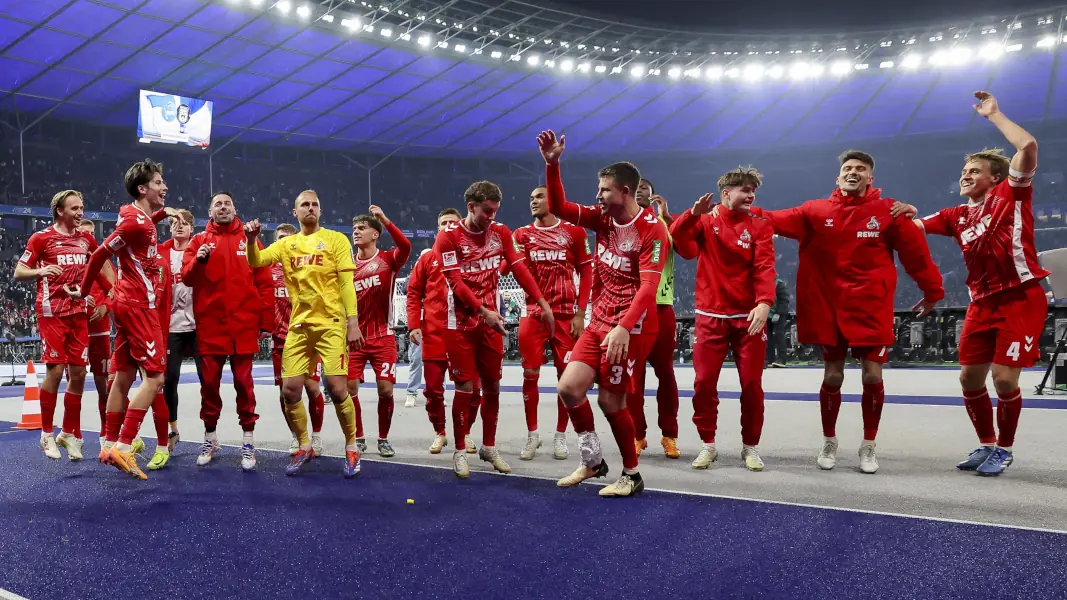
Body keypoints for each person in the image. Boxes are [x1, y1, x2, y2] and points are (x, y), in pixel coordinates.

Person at [742, 150, 944, 474]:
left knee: (872, 375)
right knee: (832, 376)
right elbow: (771, 218)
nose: (853, 172)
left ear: (870, 178)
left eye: (860, 169)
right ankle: (829, 440)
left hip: (871, 308)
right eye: (847, 168)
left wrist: (933, 291)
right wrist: (739, 207)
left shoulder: (888, 211)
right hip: (829, 309)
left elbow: (916, 256)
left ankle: (869, 445)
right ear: (837, 178)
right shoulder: (814, 211)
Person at [899, 92, 1044, 476]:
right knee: (968, 377)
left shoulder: (1010, 193)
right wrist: (892, 210)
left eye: (974, 171)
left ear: (995, 177)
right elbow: (909, 228)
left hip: (1020, 297)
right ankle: (986, 443)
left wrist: (994, 114)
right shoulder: (955, 215)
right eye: (964, 172)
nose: (966, 176)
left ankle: (1005, 448)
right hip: (981, 303)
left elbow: (1027, 145)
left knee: (1003, 378)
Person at [537, 130, 670, 498]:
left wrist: (625, 328)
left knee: (611, 401)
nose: (598, 196)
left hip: (633, 327)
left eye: (605, 190)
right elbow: (562, 208)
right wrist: (553, 164)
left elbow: (648, 287)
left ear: (626, 191)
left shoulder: (652, 230)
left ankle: (632, 474)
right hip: (599, 322)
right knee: (569, 387)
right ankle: (593, 460)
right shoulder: (602, 219)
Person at [433, 182, 553, 479]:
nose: (491, 216)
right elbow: (455, 283)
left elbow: (520, 268)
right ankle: (460, 450)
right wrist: (483, 311)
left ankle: (488, 446)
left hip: (491, 323)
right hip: (459, 324)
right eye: (487, 211)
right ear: (471, 207)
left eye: (495, 211)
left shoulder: (501, 233)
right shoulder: (448, 238)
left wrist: (541, 302)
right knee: (465, 388)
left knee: (493, 386)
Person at [72, 159, 179, 480]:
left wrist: (163, 213)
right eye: (159, 183)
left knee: (122, 377)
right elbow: (100, 253)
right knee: (156, 379)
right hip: (137, 306)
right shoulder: (135, 224)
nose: (165, 187)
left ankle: (108, 443)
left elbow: (138, 224)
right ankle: (124, 443)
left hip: (127, 304)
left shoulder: (140, 216)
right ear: (143, 188)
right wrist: (84, 289)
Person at [245, 190, 363, 477]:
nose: (310, 208)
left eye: (315, 205)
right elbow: (256, 260)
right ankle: (304, 445)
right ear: (294, 213)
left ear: (320, 211)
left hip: (331, 324)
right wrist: (250, 240)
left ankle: (351, 446)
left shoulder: (336, 239)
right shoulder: (287, 245)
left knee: (337, 389)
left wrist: (352, 321)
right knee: (290, 390)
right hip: (299, 326)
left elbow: (347, 285)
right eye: (304, 205)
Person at [670, 167, 776, 472]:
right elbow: (682, 245)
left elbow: (765, 267)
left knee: (753, 384)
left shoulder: (760, 226)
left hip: (749, 319)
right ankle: (708, 445)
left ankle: (750, 447)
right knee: (703, 383)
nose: (751, 194)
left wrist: (765, 302)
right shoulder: (704, 221)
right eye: (744, 189)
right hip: (710, 318)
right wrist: (691, 214)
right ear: (725, 193)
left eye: (753, 189)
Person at [15, 190, 114, 461]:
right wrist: (40, 271)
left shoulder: (86, 239)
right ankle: (46, 434)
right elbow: (19, 272)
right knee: (56, 371)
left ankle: (69, 434)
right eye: (75, 208)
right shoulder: (41, 238)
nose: (80, 212)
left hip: (78, 313)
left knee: (80, 374)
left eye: (82, 207)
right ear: (60, 210)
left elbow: (102, 263)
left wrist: (109, 293)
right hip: (51, 313)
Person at [182, 192, 273, 471]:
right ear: (210, 211)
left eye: (228, 203)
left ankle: (248, 441)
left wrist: (266, 322)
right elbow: (187, 278)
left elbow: (265, 282)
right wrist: (198, 260)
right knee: (209, 386)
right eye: (218, 204)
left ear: (235, 208)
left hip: (243, 326)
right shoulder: (198, 242)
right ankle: (210, 437)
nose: (223, 207)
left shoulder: (251, 241)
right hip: (211, 328)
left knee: (245, 386)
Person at [512, 185, 593, 461]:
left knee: (566, 378)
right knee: (530, 375)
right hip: (533, 315)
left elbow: (586, 269)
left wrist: (581, 313)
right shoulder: (521, 235)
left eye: (538, 196)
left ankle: (560, 436)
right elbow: (511, 267)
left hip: (566, 316)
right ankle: (532, 435)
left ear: (553, 200)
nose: (532, 200)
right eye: (530, 197)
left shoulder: (574, 232)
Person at [347, 206, 412, 457]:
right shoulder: (346, 266)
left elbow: (405, 246)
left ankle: (383, 438)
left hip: (383, 336)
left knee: (385, 389)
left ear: (375, 234)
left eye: (362, 228)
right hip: (353, 338)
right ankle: (359, 435)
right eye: (354, 229)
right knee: (350, 389)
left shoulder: (388, 260)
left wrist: (385, 220)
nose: (356, 232)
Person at [406, 209, 467, 454]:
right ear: (437, 227)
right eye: (444, 223)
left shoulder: (468, 256)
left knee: (468, 389)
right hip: (433, 334)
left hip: (463, 334)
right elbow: (413, 293)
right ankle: (440, 432)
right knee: (433, 389)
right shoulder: (428, 258)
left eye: (453, 223)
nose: (448, 226)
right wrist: (413, 325)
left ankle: (466, 433)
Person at [630, 178, 682, 459]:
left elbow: (685, 248)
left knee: (666, 375)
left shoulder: (662, 224)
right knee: (632, 379)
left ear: (651, 196)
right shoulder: (619, 225)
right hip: (630, 309)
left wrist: (669, 218)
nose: (638, 189)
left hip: (661, 307)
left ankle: (669, 435)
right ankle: (638, 435)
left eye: (644, 188)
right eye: (634, 186)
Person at [270, 223, 327, 457]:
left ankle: (316, 436)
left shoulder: (310, 266)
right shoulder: (268, 270)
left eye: (288, 237)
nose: (285, 241)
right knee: (286, 393)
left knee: (312, 387)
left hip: (308, 337)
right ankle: (296, 436)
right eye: (280, 238)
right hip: (281, 340)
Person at [158, 209, 202, 455]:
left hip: (198, 325)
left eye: (185, 223)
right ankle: (173, 429)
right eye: (175, 223)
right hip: (171, 325)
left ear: (192, 229)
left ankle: (210, 433)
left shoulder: (199, 250)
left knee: (207, 380)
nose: (179, 226)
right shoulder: (161, 252)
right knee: (169, 380)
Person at [76, 219, 114, 437]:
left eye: (91, 234)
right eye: (84, 233)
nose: (88, 238)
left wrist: (105, 306)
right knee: (75, 383)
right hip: (77, 328)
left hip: (100, 330)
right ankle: (75, 435)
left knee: (103, 385)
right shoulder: (70, 264)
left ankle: (105, 433)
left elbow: (116, 290)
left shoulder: (103, 262)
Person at [765, 276, 791, 368]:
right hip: (767, 314)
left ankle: (782, 359)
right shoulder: (763, 283)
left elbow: (784, 300)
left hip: (779, 313)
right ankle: (769, 359)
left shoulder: (779, 284)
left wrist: (778, 313)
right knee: (767, 337)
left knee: (779, 334)